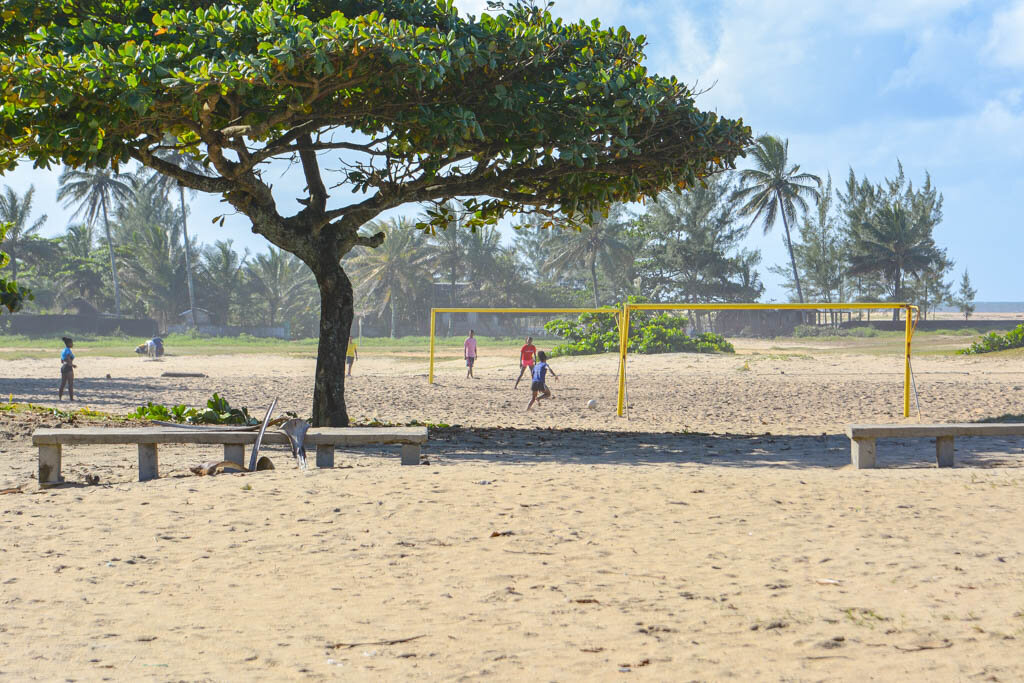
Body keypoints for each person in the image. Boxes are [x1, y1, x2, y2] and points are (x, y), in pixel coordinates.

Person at [58, 336, 75, 401]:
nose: (72, 344)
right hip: (68, 368)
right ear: (68, 343)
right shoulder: (68, 350)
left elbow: (62, 361)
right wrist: (72, 365)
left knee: (63, 384)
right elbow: (68, 358)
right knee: (70, 384)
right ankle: (71, 398)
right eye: (71, 343)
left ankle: (59, 398)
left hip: (63, 367)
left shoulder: (63, 350)